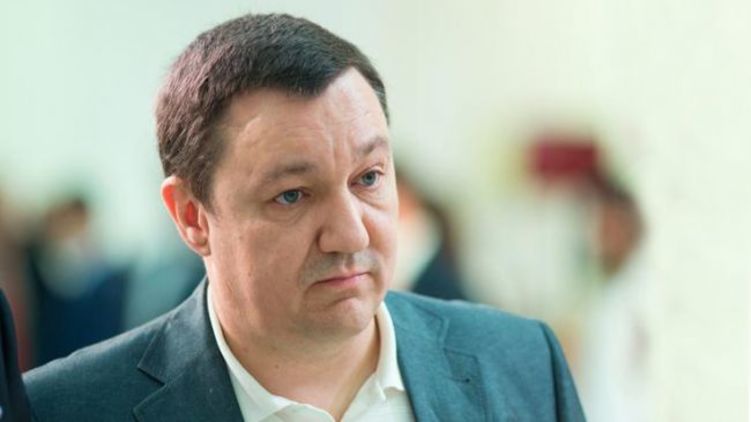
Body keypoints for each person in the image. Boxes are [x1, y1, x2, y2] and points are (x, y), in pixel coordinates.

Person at [24, 13, 585, 421]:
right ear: (193, 216)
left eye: (369, 178)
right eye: (292, 195)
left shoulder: (520, 364)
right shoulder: (62, 410)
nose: (351, 232)